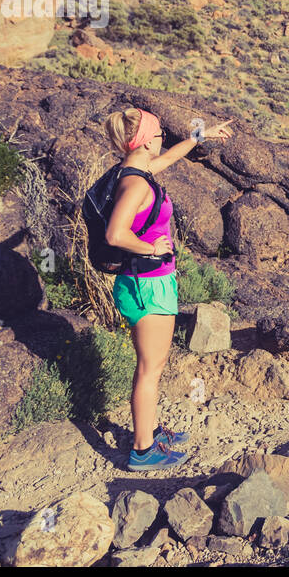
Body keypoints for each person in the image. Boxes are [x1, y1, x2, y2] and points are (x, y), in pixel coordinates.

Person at [102, 108, 233, 470]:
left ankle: (150, 431)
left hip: (150, 281)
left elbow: (169, 158)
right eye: (158, 131)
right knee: (150, 369)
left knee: (151, 366)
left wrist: (199, 137)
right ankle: (143, 451)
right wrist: (152, 248)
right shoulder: (136, 183)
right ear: (143, 139)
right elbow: (116, 234)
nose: (163, 136)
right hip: (146, 283)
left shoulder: (137, 171)